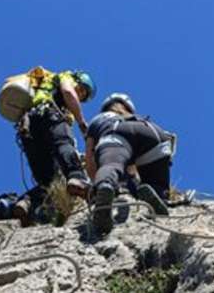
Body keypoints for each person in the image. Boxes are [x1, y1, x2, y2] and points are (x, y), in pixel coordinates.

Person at [82, 93, 177, 233]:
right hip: (154, 133)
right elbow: (132, 169)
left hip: (118, 131)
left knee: (112, 164)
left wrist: (96, 183)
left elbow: (90, 159)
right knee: (156, 182)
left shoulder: (99, 119)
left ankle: (105, 188)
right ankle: (159, 196)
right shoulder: (135, 116)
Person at [13, 69, 96, 225]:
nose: (80, 96)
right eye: (81, 90)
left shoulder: (43, 90)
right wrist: (81, 122)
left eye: (83, 96)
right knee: (64, 143)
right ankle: (77, 179)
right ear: (78, 81)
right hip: (49, 115)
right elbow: (68, 91)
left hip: (28, 128)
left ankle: (25, 203)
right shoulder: (65, 77)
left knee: (48, 180)